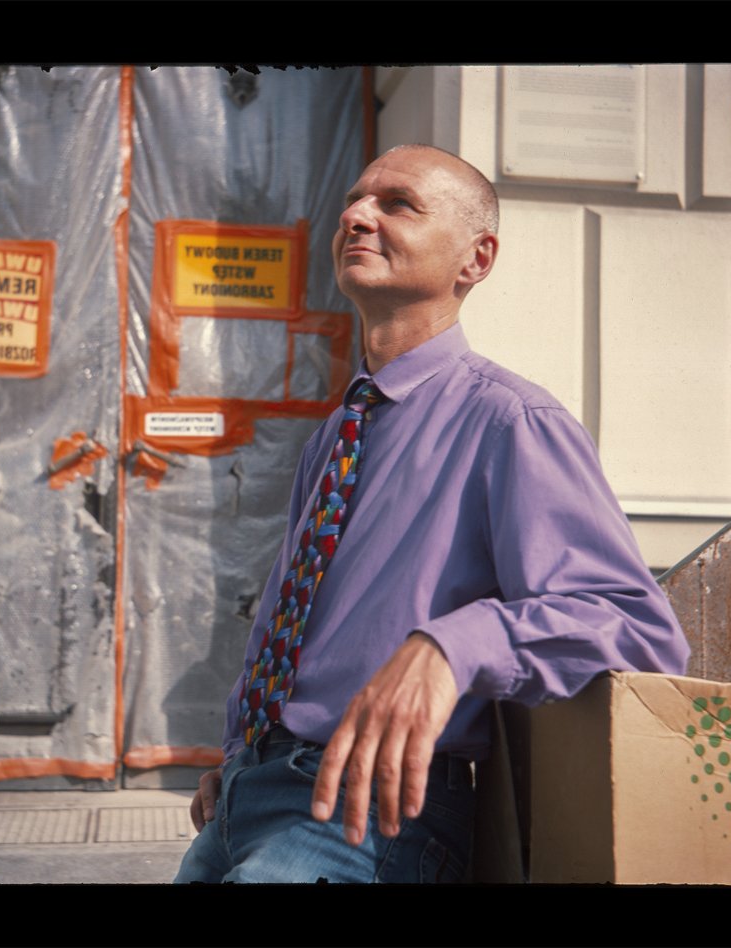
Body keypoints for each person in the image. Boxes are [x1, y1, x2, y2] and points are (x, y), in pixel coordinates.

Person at [175, 144, 689, 883]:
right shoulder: (336, 431)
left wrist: (454, 643)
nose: (355, 215)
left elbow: (637, 629)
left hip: (369, 821)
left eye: (397, 204)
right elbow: (299, 614)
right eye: (355, 200)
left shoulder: (512, 421)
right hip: (240, 803)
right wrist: (238, 752)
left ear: (475, 259)